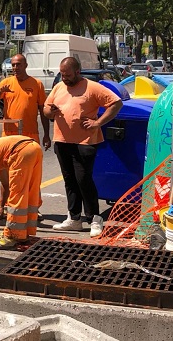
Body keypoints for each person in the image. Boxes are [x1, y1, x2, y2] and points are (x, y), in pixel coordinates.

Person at [43, 57, 123, 237]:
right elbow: (46, 109)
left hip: (85, 142)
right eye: (62, 75)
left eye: (68, 75)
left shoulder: (92, 87)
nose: (64, 78)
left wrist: (98, 123)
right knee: (70, 181)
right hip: (62, 141)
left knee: (83, 180)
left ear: (78, 72)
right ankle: (74, 218)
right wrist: (51, 111)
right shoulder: (59, 87)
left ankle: (95, 218)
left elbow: (116, 103)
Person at [0, 53, 50, 220]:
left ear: (25, 65)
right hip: (8, 136)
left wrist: (46, 135)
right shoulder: (6, 83)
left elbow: (42, 111)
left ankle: (33, 207)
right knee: (5, 173)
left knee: (32, 174)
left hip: (30, 136)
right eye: (13, 65)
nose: (15, 68)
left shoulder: (36, 84)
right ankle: (2, 205)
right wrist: (0, 90)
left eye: (18, 64)